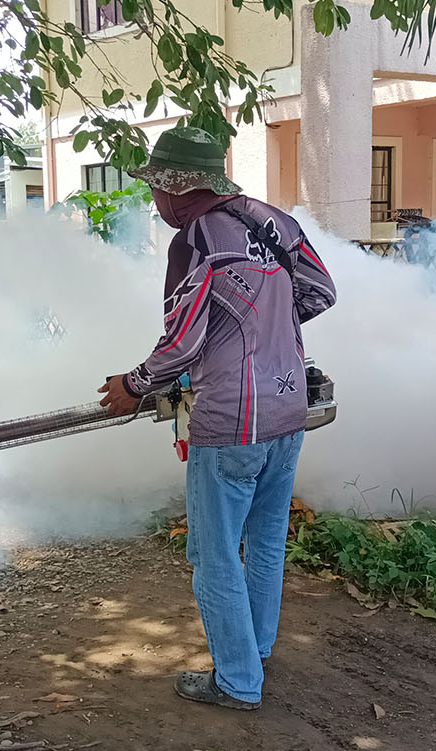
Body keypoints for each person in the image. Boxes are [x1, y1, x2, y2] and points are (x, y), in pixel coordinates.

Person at [97, 126, 337, 711]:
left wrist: (133, 385)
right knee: (266, 540)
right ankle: (255, 651)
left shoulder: (197, 236)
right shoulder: (272, 220)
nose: (155, 202)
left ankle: (235, 681)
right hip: (288, 407)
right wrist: (265, 334)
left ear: (177, 189)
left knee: (213, 552)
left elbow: (180, 343)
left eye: (156, 188)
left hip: (230, 419)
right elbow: (321, 291)